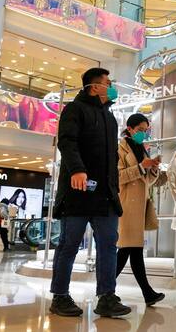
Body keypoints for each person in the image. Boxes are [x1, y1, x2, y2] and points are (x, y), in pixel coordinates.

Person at [49, 67, 131, 318]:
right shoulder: (74, 110)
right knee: (69, 244)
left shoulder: (109, 117)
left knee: (108, 244)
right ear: (94, 87)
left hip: (105, 195)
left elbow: (111, 159)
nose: (112, 86)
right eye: (108, 82)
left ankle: (107, 296)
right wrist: (77, 170)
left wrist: (114, 187)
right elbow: (67, 141)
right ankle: (60, 296)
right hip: (78, 191)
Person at [115, 114, 165, 306]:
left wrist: (152, 169)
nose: (143, 133)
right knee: (128, 249)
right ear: (129, 129)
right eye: (140, 130)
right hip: (126, 205)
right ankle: (105, 289)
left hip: (139, 205)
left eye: (146, 130)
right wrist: (140, 167)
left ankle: (147, 293)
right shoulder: (119, 148)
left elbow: (146, 182)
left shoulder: (141, 149)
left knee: (132, 250)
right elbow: (117, 177)